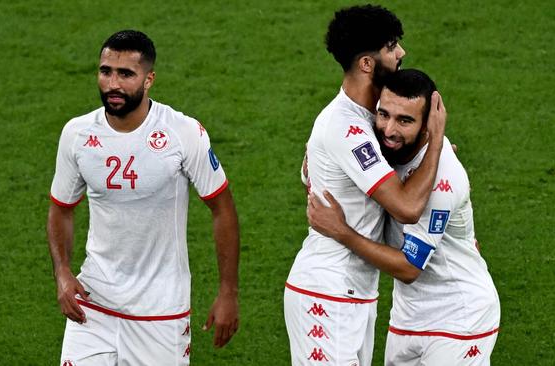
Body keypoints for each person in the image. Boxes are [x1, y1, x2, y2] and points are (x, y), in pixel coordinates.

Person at [46, 30, 240, 365]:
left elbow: (222, 209)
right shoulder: (77, 134)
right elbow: (61, 209)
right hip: (94, 304)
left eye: (126, 74)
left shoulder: (183, 133)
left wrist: (228, 293)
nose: (113, 84)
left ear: (149, 79)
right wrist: (62, 272)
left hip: (160, 313)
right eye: (106, 71)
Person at [284, 5, 447, 366]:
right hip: (327, 292)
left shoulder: (367, 120)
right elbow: (405, 207)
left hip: (355, 292)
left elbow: (309, 177)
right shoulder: (348, 127)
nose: (401, 53)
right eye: (391, 46)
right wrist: (435, 141)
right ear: (367, 64)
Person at [307, 69, 500, 365]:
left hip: (460, 317)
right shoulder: (382, 148)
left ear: (428, 126)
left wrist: (341, 232)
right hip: (408, 317)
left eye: (405, 120)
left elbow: (410, 268)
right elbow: (317, 168)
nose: (389, 130)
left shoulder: (442, 178)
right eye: (384, 114)